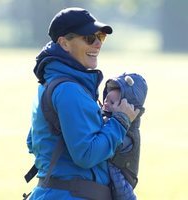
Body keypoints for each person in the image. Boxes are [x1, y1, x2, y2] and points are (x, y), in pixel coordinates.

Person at [26, 7, 140, 200]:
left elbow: (33, 142)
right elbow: (87, 155)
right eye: (89, 38)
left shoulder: (53, 82)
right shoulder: (69, 90)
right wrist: (120, 121)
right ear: (64, 43)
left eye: (100, 37)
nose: (97, 44)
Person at [102, 73, 148, 200]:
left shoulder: (129, 133)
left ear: (128, 107)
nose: (105, 104)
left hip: (122, 183)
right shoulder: (108, 119)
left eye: (112, 102)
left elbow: (109, 143)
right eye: (106, 99)